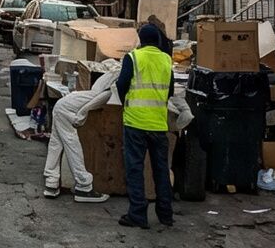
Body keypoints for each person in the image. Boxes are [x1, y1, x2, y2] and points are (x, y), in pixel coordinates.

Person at [115, 22, 175, 229]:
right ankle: (166, 214)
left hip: (135, 121)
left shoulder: (133, 57)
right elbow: (171, 91)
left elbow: (121, 84)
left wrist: (127, 103)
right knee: (161, 170)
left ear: (141, 40)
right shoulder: (167, 60)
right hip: (158, 123)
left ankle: (138, 214)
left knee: (135, 169)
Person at [42, 70, 115, 203]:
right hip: (66, 110)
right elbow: (98, 100)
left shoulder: (109, 77)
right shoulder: (110, 88)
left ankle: (51, 182)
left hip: (61, 106)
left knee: (56, 144)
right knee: (72, 144)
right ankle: (84, 184)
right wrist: (82, 114)